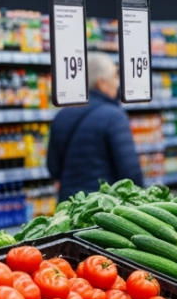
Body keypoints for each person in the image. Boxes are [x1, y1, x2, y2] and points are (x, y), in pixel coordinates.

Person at [46, 52, 144, 200]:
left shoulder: (62, 115)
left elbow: (52, 167)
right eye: (115, 77)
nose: (117, 83)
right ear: (101, 83)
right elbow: (130, 172)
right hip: (104, 207)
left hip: (69, 208)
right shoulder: (114, 117)